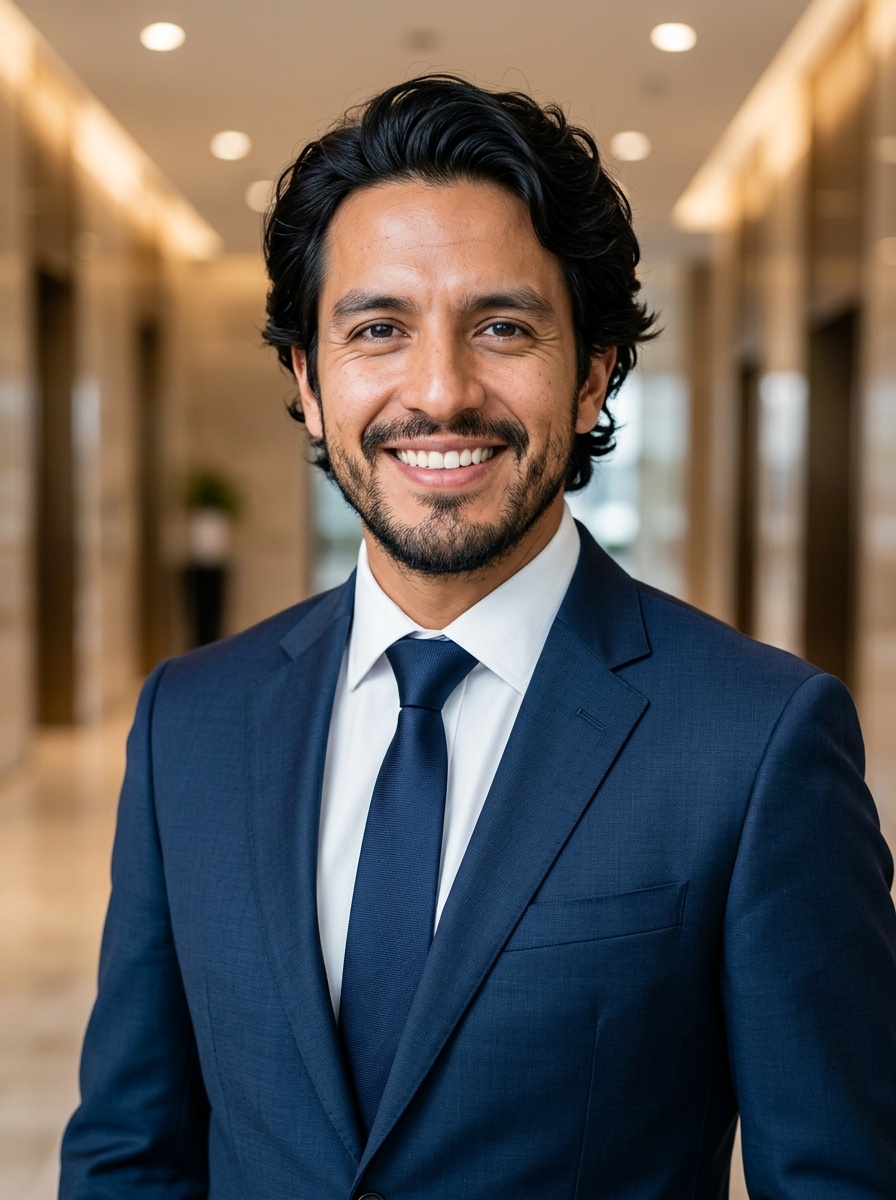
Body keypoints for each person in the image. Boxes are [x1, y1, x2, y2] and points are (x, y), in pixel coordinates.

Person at [60, 75, 896, 1199]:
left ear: (594, 372)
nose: (440, 392)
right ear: (306, 381)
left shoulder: (755, 742)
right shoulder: (189, 723)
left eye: (502, 327)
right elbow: (129, 1153)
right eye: (377, 329)